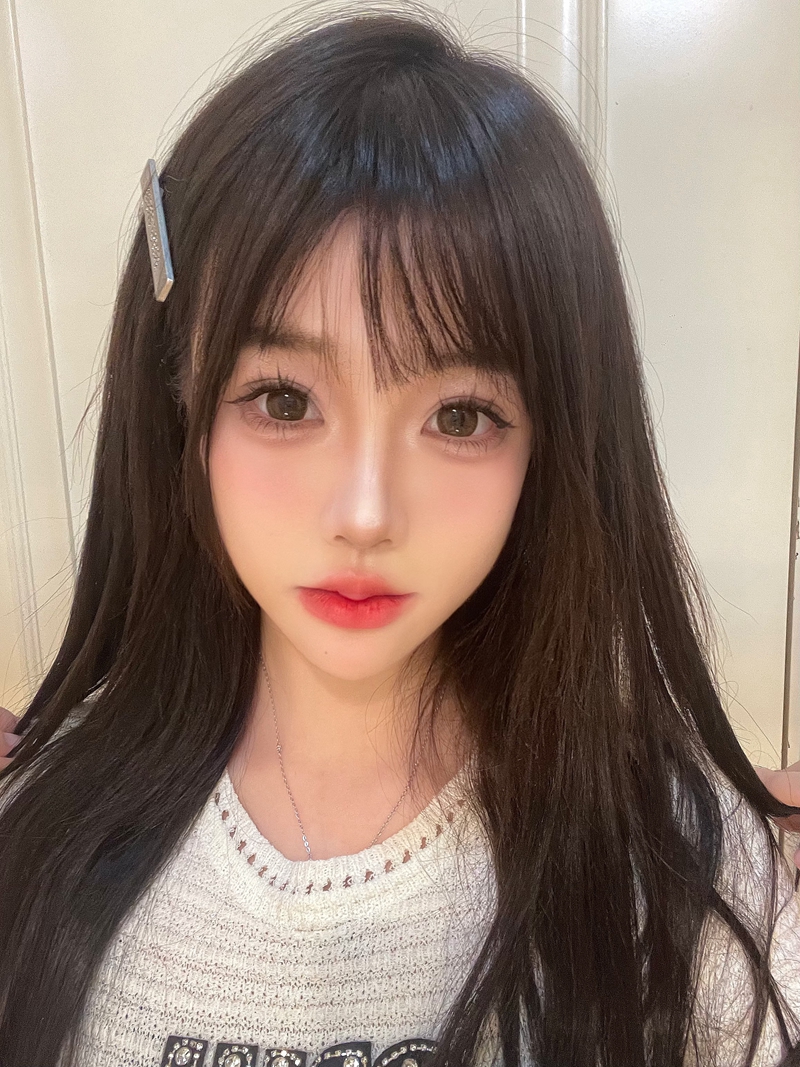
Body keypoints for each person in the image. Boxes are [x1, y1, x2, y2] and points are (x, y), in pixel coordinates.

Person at [3, 4, 800, 1066]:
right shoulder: (38, 831)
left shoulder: (677, 866)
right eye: (284, 400)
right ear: (178, 407)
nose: (365, 513)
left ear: (553, 444)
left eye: (460, 416)